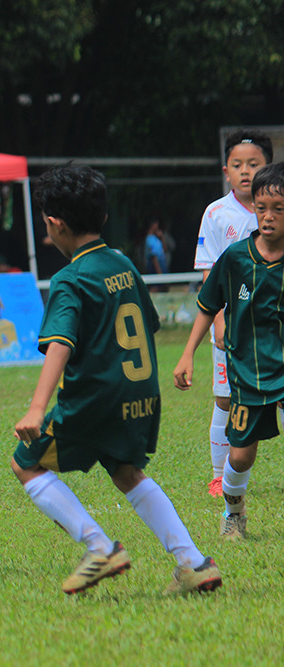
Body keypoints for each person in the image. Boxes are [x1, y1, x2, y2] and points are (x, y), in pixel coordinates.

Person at [12, 165, 221, 595]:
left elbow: (60, 344)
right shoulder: (123, 263)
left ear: (54, 224)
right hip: (141, 394)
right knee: (126, 470)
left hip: (97, 400)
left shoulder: (71, 279)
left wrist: (37, 407)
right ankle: (193, 562)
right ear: (103, 217)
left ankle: (99, 547)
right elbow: (149, 324)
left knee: (25, 463)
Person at [174, 161, 284, 543]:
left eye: (279, 209)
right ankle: (233, 513)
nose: (268, 217)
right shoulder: (236, 259)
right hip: (248, 373)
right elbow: (207, 304)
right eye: (261, 207)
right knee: (240, 458)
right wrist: (187, 354)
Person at [193, 130, 273, 497]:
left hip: (272, 330)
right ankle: (217, 474)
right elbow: (211, 275)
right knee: (225, 399)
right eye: (238, 165)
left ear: (268, 168)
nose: (246, 172)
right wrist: (220, 321)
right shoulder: (215, 213)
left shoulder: (277, 211)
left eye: (254, 164)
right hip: (231, 327)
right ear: (226, 171)